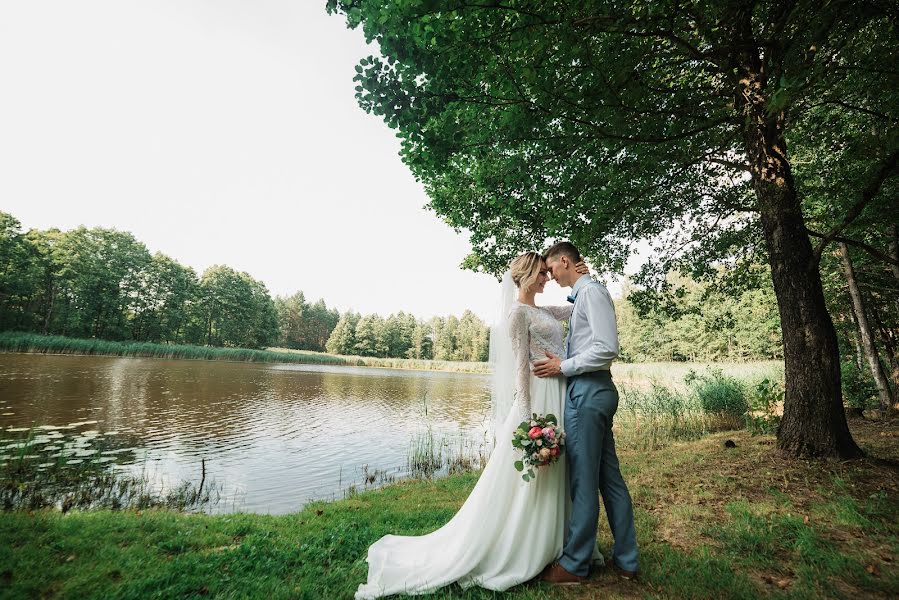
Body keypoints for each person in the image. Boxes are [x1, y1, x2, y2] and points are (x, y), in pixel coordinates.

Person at [354, 252, 589, 599]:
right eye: (541, 273)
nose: (546, 278)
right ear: (524, 276)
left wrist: (585, 281)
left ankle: (557, 542)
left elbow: (576, 310)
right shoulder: (517, 314)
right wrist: (528, 423)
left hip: (560, 390)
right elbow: (521, 370)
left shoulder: (543, 310)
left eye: (546, 272)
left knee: (558, 470)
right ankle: (526, 545)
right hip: (538, 398)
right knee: (533, 471)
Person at [534, 241, 639, 584]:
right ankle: (627, 560)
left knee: (583, 481)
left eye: (550, 269)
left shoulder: (591, 293)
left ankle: (575, 564)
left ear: (564, 261)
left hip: (589, 392)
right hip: (594, 391)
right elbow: (577, 319)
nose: (549, 276)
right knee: (610, 479)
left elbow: (606, 348)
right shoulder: (586, 293)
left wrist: (565, 366)